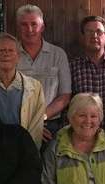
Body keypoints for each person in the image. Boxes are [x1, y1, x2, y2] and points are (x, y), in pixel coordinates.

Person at [15, 4, 72, 141]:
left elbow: (65, 96)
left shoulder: (58, 54)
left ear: (42, 27)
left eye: (34, 24)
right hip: (17, 124)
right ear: (18, 28)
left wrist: (39, 119)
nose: (29, 29)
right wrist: (28, 123)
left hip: (51, 123)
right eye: (24, 24)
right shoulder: (9, 54)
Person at [0, 33, 45, 148]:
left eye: (10, 50)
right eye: (2, 50)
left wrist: (28, 151)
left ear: (18, 56)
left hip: (25, 150)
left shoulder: (35, 86)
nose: (6, 54)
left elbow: (36, 126)